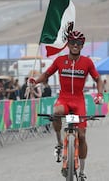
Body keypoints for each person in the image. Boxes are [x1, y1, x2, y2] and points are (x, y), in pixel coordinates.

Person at [29, 31, 103, 180]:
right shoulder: (60, 60)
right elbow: (47, 74)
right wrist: (34, 81)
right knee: (56, 111)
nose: (75, 46)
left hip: (78, 101)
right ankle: (58, 143)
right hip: (64, 98)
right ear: (68, 44)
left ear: (82, 46)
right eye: (73, 43)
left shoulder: (87, 62)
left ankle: (82, 172)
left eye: (79, 44)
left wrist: (100, 95)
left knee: (82, 136)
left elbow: (98, 79)